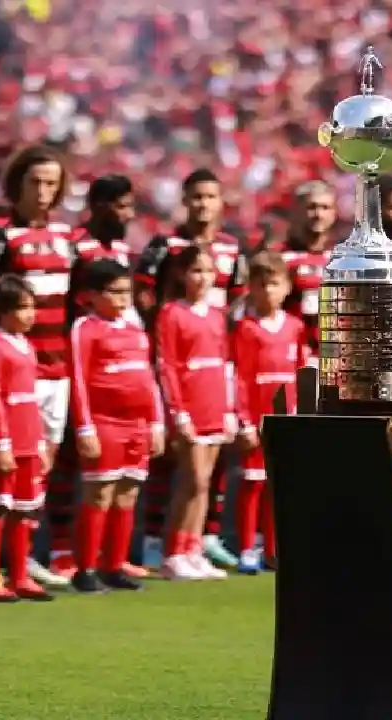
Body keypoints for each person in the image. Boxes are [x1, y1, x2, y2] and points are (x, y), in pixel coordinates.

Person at [0, 145, 77, 589]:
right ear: (17, 185)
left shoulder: (67, 236)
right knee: (5, 469)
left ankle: (21, 557)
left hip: (59, 369)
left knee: (41, 468)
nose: (44, 192)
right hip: (20, 373)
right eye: (36, 182)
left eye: (52, 183)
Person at [134, 168, 246, 571]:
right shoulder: (164, 244)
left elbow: (237, 296)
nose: (203, 204)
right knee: (173, 466)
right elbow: (141, 288)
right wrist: (167, 323)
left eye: (210, 196)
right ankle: (156, 541)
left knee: (208, 471)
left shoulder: (233, 247)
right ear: (185, 200)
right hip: (180, 359)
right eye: (196, 196)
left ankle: (199, 541)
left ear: (221, 202)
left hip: (210, 360)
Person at [47, 174, 143, 582]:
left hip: (116, 355)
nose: (129, 213)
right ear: (102, 205)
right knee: (74, 466)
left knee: (110, 477)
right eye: (122, 206)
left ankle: (107, 558)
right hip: (82, 355)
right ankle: (60, 550)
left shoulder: (120, 248)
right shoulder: (76, 245)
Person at [68, 259, 165, 593]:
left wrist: (156, 422)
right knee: (100, 493)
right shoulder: (86, 327)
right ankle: (85, 569)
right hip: (105, 422)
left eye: (128, 292)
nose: (124, 299)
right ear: (93, 295)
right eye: (115, 292)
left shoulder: (135, 329)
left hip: (137, 424)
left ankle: (114, 565)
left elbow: (148, 377)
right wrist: (84, 427)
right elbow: (78, 379)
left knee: (128, 493)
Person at [155, 245, 233, 581]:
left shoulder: (217, 315)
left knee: (206, 485)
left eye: (207, 271)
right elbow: (167, 365)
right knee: (192, 480)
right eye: (195, 271)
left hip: (215, 401)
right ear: (181, 275)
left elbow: (226, 362)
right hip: (190, 405)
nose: (202, 278)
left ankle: (193, 548)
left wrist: (230, 409)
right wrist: (178, 413)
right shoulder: (171, 313)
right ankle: (174, 551)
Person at [0, 276, 52, 602]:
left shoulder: (27, 345)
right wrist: (1, 443)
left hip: (28, 434)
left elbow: (29, 397)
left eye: (33, 306)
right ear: (3, 312)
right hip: (4, 438)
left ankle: (20, 575)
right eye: (23, 308)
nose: (31, 314)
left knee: (24, 508)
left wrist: (40, 441)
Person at [231, 251, 307, 575]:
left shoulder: (295, 327)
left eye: (274, 284)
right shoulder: (246, 329)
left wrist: (304, 413)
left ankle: (275, 549)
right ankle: (247, 548)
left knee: (280, 486)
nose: (268, 291)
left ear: (287, 287)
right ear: (251, 288)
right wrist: (245, 422)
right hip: (257, 417)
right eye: (261, 284)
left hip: (287, 418)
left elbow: (303, 372)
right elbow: (240, 378)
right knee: (253, 484)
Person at [274, 181, 337, 354]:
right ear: (296, 212)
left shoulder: (344, 258)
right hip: (292, 354)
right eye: (311, 207)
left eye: (325, 208)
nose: (318, 214)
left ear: (334, 213)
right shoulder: (278, 258)